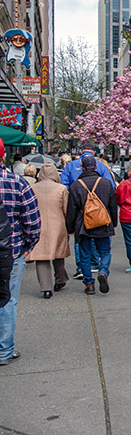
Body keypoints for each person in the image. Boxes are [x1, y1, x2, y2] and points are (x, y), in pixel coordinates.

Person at [0, 138, 41, 365]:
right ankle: (4, 349)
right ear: (4, 156)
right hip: (10, 251)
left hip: (12, 250)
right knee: (6, 301)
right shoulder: (17, 183)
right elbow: (33, 221)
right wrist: (26, 247)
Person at [66, 155, 118, 295]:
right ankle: (103, 271)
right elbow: (113, 205)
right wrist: (113, 221)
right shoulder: (106, 183)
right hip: (102, 222)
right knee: (105, 251)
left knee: (85, 254)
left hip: (83, 225)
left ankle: (89, 283)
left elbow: (71, 210)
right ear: (96, 167)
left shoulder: (76, 186)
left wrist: (70, 228)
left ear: (82, 168)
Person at [25, 162, 70, 298]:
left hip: (38, 224)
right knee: (58, 253)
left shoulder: (32, 188)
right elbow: (66, 208)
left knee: (41, 256)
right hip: (58, 224)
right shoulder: (61, 188)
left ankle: (46, 288)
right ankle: (60, 279)